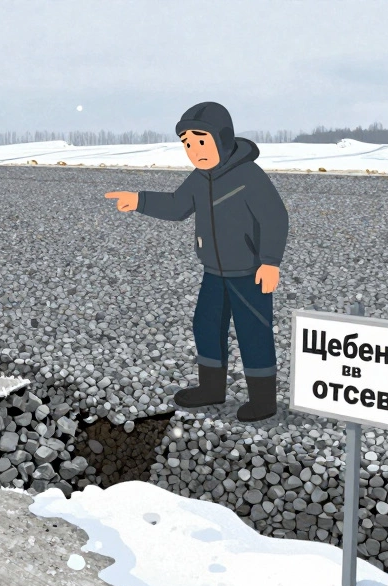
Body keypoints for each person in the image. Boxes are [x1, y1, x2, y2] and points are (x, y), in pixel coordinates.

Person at [105, 101, 289, 422]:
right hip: (214, 271)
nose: (194, 150)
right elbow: (177, 205)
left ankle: (263, 400)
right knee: (205, 325)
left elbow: (275, 218)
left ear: (223, 139)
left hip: (250, 273)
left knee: (253, 332)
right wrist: (139, 200)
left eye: (201, 141)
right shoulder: (199, 178)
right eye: (187, 143)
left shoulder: (249, 176)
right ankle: (211, 389)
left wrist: (270, 263)